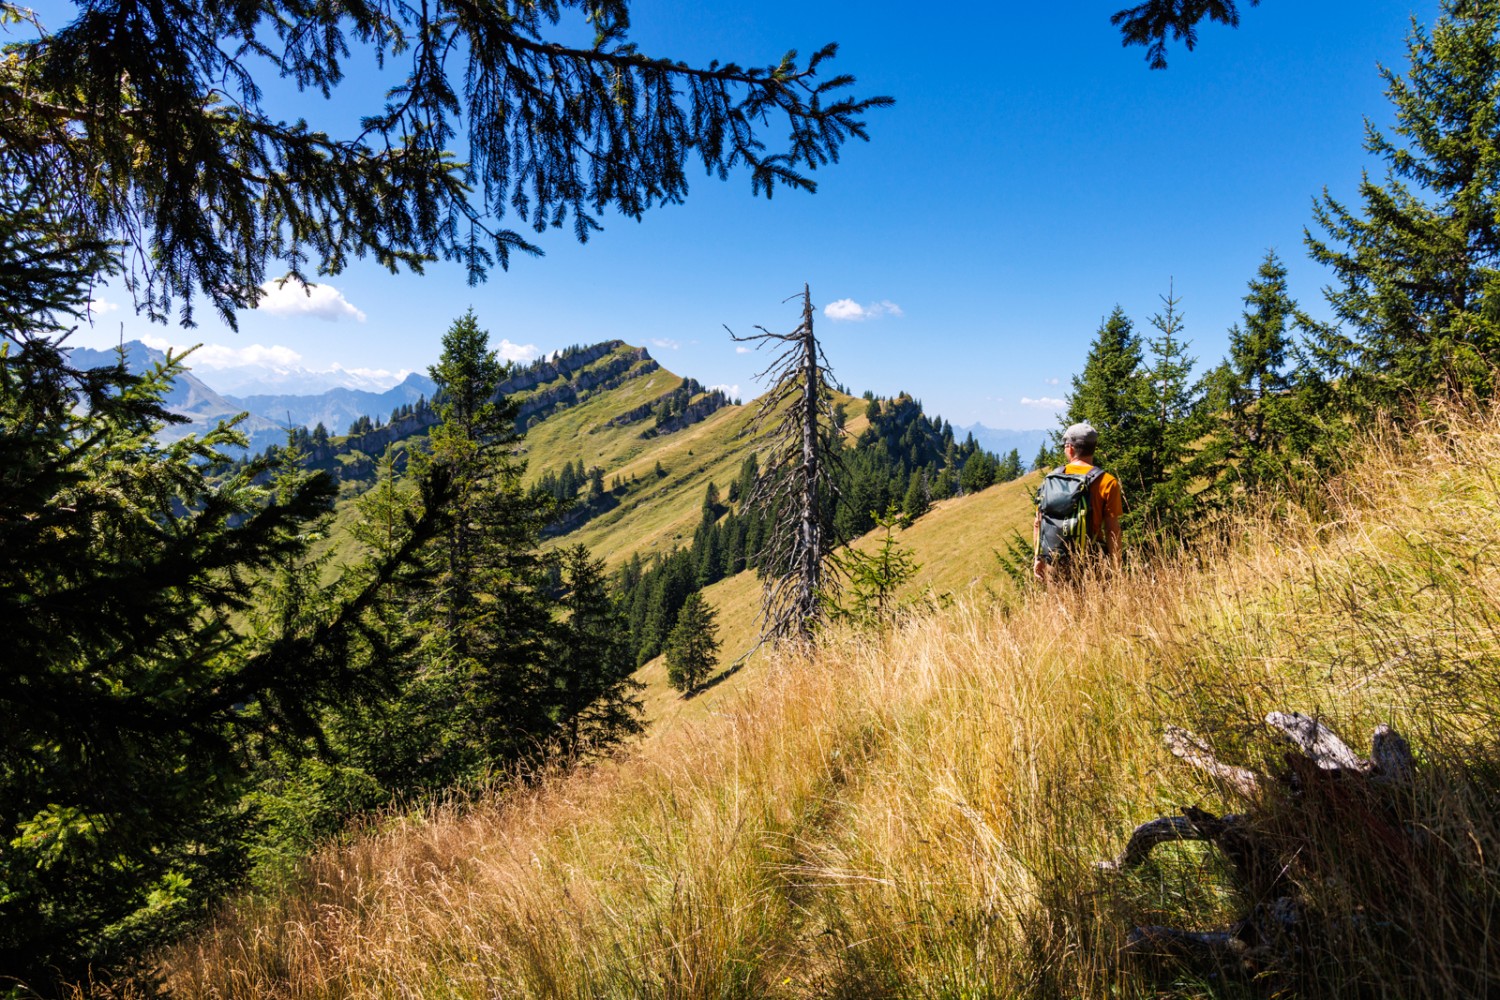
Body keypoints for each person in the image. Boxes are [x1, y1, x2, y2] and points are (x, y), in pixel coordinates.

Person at [1032, 422, 1123, 583]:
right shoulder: (1107, 481)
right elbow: (1112, 529)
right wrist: (1116, 566)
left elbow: (1038, 523)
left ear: (1070, 448)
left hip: (1055, 560)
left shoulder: (1051, 479)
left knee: (1060, 607)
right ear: (1094, 447)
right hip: (1092, 562)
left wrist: (1039, 557)